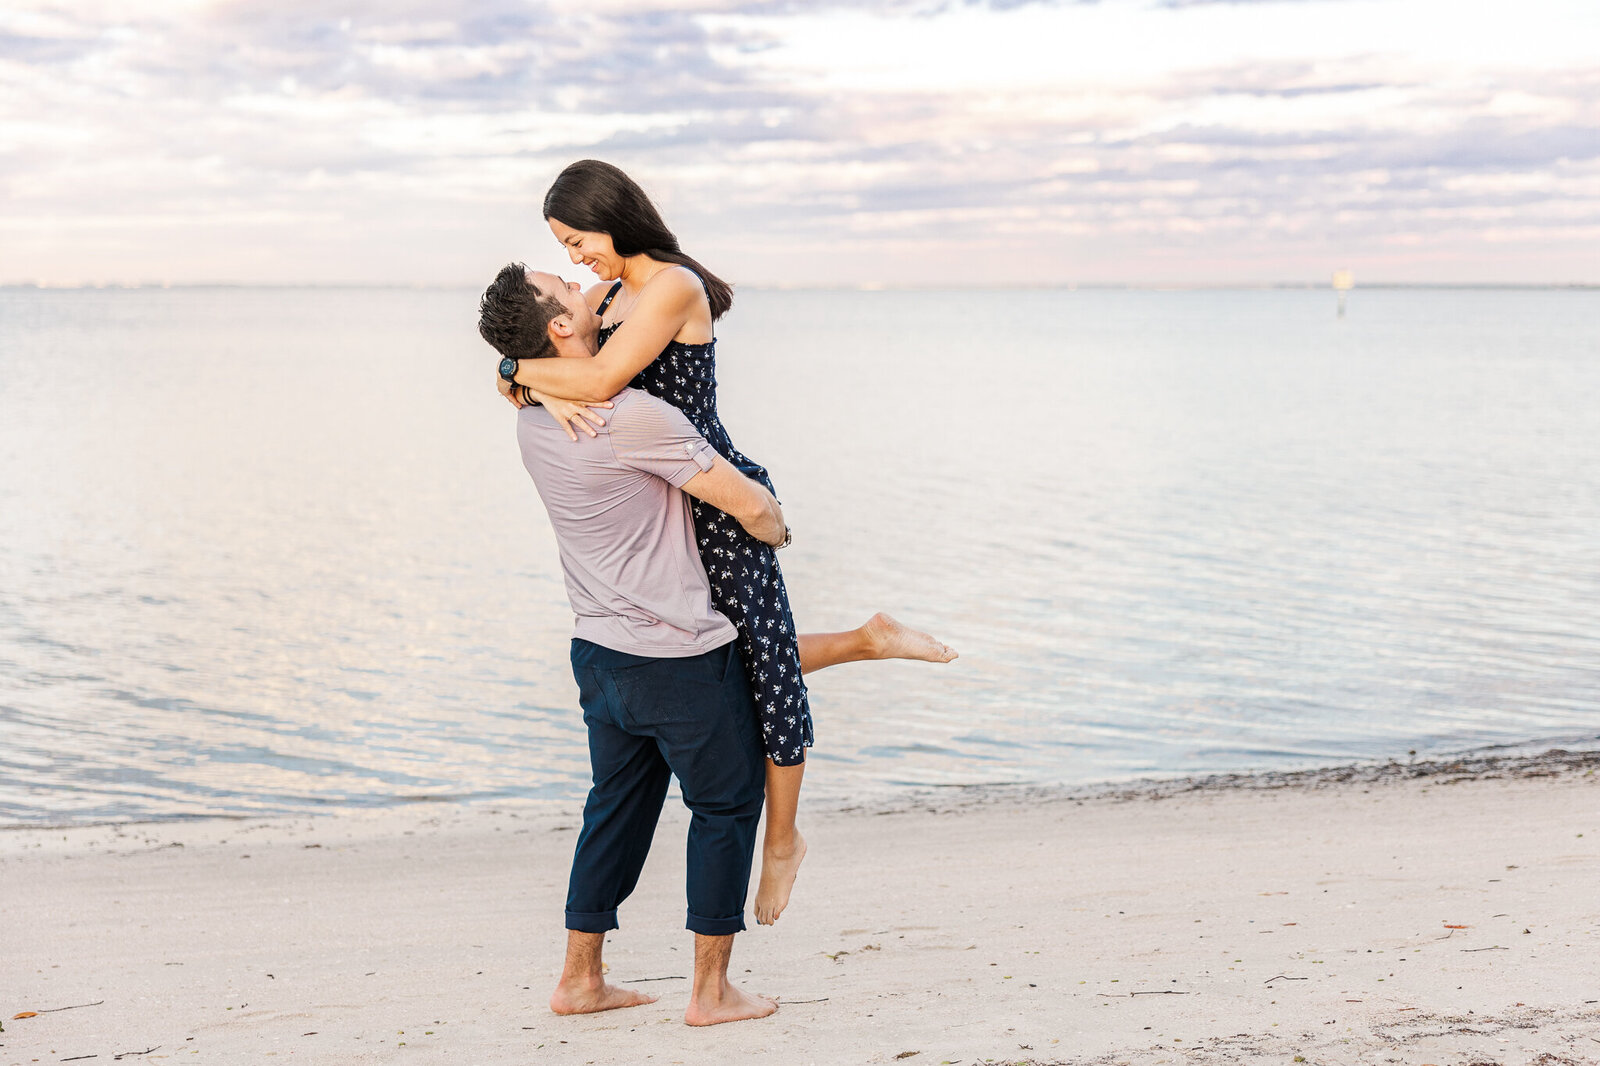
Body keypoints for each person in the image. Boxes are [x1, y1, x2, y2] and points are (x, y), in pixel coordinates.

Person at [496, 160, 956, 927]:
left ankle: (783, 841)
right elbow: (555, 361)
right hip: (660, 494)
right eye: (566, 248)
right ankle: (868, 639)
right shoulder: (603, 297)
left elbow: (603, 376)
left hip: (710, 491)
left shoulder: (672, 285)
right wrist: (524, 378)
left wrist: (521, 372)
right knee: (729, 658)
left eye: (579, 240)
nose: (577, 258)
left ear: (613, 216)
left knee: (769, 669)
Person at [479, 262, 785, 1025]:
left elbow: (530, 384)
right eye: (571, 290)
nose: (588, 293)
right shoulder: (635, 417)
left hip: (598, 655)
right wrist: (777, 524)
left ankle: (580, 980)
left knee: (615, 806)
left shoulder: (532, 414)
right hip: (678, 657)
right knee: (726, 807)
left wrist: (526, 377)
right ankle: (711, 993)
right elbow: (747, 506)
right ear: (560, 327)